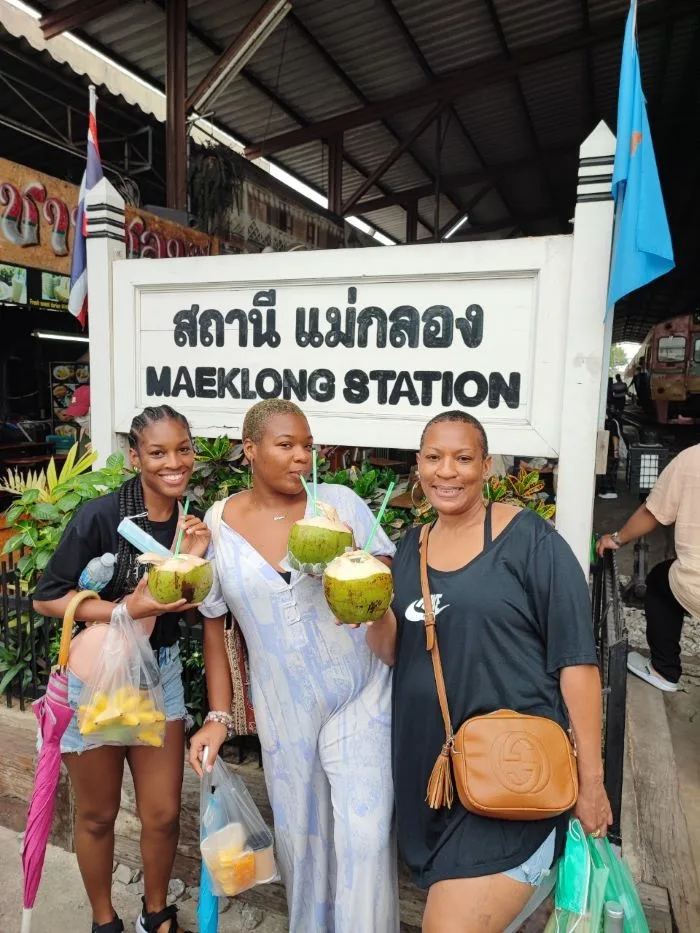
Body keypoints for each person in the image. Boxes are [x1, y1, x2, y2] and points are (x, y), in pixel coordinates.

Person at [366, 410, 611, 933]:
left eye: (462, 458)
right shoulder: (410, 547)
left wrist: (592, 783)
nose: (446, 472)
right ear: (418, 465)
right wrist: (368, 608)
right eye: (434, 458)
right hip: (434, 780)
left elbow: (577, 664)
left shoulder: (529, 541)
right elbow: (395, 652)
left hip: (510, 778)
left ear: (486, 466)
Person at [188, 399, 399, 933]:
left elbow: (385, 575)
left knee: (366, 833)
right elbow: (216, 623)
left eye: (307, 444)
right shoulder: (219, 521)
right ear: (250, 450)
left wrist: (356, 557)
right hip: (283, 707)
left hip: (361, 690)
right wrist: (219, 715)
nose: (302, 456)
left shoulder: (339, 504)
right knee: (302, 839)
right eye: (286, 445)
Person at [33, 405, 210, 933]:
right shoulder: (101, 515)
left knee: (162, 814)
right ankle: (104, 920)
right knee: (97, 814)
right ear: (134, 457)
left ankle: (155, 915)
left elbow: (193, 607)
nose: (173, 462)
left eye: (182, 449)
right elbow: (47, 599)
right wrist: (121, 611)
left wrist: (196, 559)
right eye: (157, 452)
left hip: (161, 672)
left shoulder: (191, 522)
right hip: (96, 677)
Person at [597, 443, 700, 691]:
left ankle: (664, 671)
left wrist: (617, 538)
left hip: (694, 581)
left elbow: (652, 512)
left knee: (660, 582)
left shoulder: (691, 459)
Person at [598, 410, 620, 500]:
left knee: (608, 472)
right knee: (610, 472)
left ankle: (609, 492)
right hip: (610, 452)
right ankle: (609, 491)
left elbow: (615, 437)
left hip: (610, 452)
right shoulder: (614, 422)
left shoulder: (610, 423)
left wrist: (615, 451)